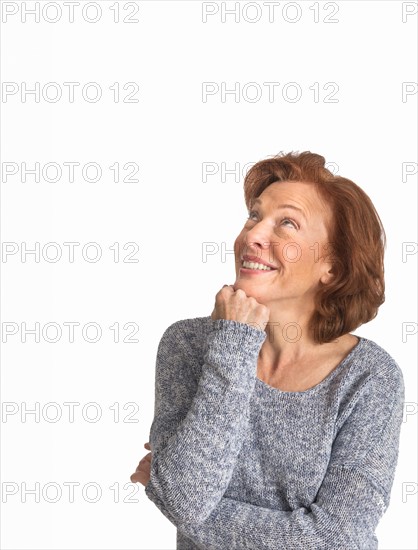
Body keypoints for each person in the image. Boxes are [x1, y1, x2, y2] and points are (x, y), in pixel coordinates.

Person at [130, 151, 405, 549]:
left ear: (333, 267)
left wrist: (166, 487)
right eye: (254, 217)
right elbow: (185, 498)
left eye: (287, 224)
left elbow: (336, 539)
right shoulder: (188, 346)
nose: (253, 236)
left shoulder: (369, 378)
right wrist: (232, 346)